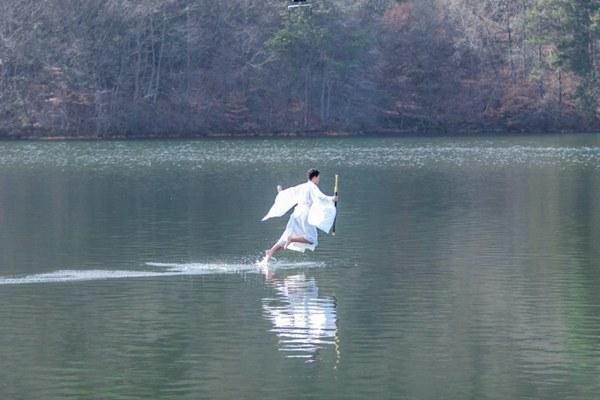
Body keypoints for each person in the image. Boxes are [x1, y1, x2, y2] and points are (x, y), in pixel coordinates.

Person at [261, 169, 338, 263]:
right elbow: (320, 197)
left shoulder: (302, 186)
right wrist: (332, 198)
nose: (319, 180)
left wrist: (281, 192)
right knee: (312, 239)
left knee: (285, 236)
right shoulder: (312, 186)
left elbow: (290, 192)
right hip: (304, 214)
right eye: (318, 178)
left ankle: (270, 252)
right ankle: (292, 239)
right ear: (314, 177)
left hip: (296, 213)